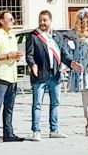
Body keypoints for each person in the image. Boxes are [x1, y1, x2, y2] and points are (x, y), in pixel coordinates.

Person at [26, 10, 67, 141]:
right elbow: (29, 55)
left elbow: (64, 54)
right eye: (40, 20)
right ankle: (36, 131)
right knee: (37, 104)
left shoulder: (57, 36)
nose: (42, 22)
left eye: (44, 20)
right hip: (40, 75)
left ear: (50, 20)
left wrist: (71, 63)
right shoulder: (34, 36)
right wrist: (32, 64)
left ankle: (54, 129)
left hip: (55, 74)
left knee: (55, 103)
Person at [0, 11, 24, 146]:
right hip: (0, 76)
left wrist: (16, 56)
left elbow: (12, 55)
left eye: (13, 19)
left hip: (12, 76)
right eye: (10, 19)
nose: (13, 21)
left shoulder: (12, 36)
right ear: (1, 21)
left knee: (9, 107)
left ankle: (8, 133)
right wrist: (7, 56)